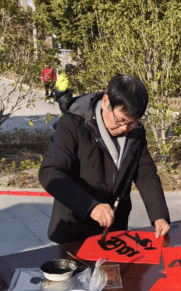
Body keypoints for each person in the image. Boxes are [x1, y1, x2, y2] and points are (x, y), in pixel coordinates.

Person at [39, 74, 171, 244]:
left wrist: (159, 215)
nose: (124, 128)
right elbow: (50, 172)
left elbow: (145, 173)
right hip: (74, 227)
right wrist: (90, 206)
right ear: (106, 102)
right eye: (120, 120)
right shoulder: (73, 125)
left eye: (132, 123)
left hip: (115, 230)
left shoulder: (136, 132)